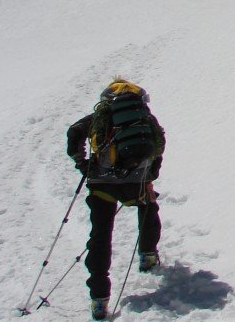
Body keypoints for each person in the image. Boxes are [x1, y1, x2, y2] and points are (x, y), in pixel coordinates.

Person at [67, 79, 166, 321]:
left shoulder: (100, 118)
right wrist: (151, 174)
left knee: (100, 236)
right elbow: (159, 145)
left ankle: (99, 300)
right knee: (149, 208)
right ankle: (148, 256)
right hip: (137, 183)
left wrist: (83, 164)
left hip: (102, 185)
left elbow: (73, 134)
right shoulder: (144, 119)